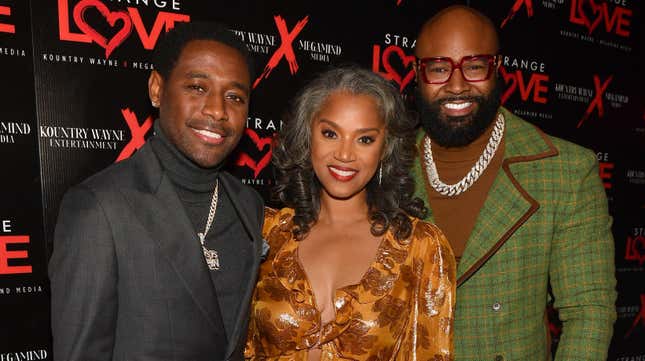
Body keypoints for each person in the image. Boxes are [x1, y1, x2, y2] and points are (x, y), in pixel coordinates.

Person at [49, 21, 264, 361]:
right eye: (197, 87)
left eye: (235, 97)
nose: (218, 111)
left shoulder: (249, 207)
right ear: (156, 89)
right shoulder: (99, 209)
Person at [412, 5, 616, 361]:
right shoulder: (385, 164)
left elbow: (589, 312)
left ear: (498, 70)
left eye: (474, 66)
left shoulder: (566, 171)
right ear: (418, 74)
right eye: (439, 68)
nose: (457, 85)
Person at [244, 67, 456, 360]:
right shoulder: (266, 232)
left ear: (385, 147)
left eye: (365, 139)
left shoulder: (420, 247)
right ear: (308, 136)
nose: (344, 155)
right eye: (330, 133)